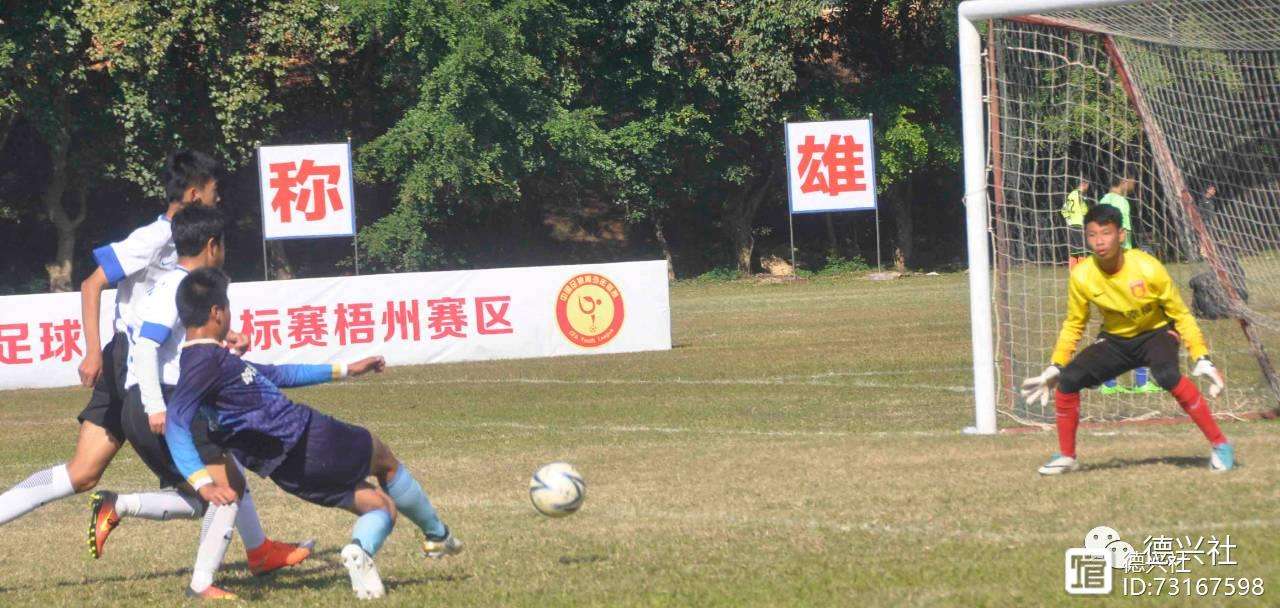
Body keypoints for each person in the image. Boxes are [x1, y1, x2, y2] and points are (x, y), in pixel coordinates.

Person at [165, 268, 463, 600]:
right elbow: (176, 423)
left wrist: (347, 369)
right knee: (384, 458)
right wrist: (203, 484)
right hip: (308, 437)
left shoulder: (209, 360)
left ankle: (360, 552)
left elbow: (280, 373)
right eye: (228, 308)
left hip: (288, 472)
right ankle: (438, 534)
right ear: (217, 313)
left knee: (381, 508)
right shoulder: (203, 364)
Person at [0, 150, 246, 527]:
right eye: (215, 191)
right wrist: (93, 351)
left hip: (134, 363)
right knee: (218, 464)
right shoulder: (153, 238)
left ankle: (259, 549)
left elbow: (177, 306)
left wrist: (223, 332)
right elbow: (91, 283)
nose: (219, 198)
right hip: (130, 361)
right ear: (195, 194)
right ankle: (256, 550)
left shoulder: (186, 241)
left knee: (82, 473)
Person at [89, 205, 311, 599]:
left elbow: (179, 343)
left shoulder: (184, 286)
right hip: (163, 404)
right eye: (223, 244)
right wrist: (156, 405)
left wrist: (227, 340)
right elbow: (145, 346)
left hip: (161, 403)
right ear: (213, 246)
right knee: (225, 489)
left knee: (205, 496)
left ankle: (121, 506)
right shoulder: (179, 288)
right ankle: (203, 583)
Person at [1020, 204, 1234, 475]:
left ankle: (1221, 444)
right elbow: (1074, 323)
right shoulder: (1082, 276)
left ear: (1121, 235)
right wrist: (1057, 364)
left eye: (1106, 233)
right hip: (1115, 341)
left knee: (1167, 375)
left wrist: (1201, 356)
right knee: (1069, 380)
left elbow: (1180, 314)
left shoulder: (1147, 267)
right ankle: (1066, 455)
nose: (1099, 242)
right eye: (1092, 235)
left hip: (1156, 333)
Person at [1095, 175, 1159, 393]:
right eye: (1133, 181)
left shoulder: (1102, 200)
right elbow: (1124, 234)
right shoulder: (1122, 202)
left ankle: (1109, 383)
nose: (1134, 186)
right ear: (1125, 180)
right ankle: (1141, 382)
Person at [1061, 179, 1090, 269]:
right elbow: (1084, 211)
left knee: (1074, 252)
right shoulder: (1080, 195)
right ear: (1083, 184)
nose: (1088, 187)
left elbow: (1063, 210)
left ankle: (1073, 272)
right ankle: (1082, 272)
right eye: (1087, 184)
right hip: (1080, 225)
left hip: (1071, 226)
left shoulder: (1071, 195)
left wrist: (1068, 220)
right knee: (1082, 251)